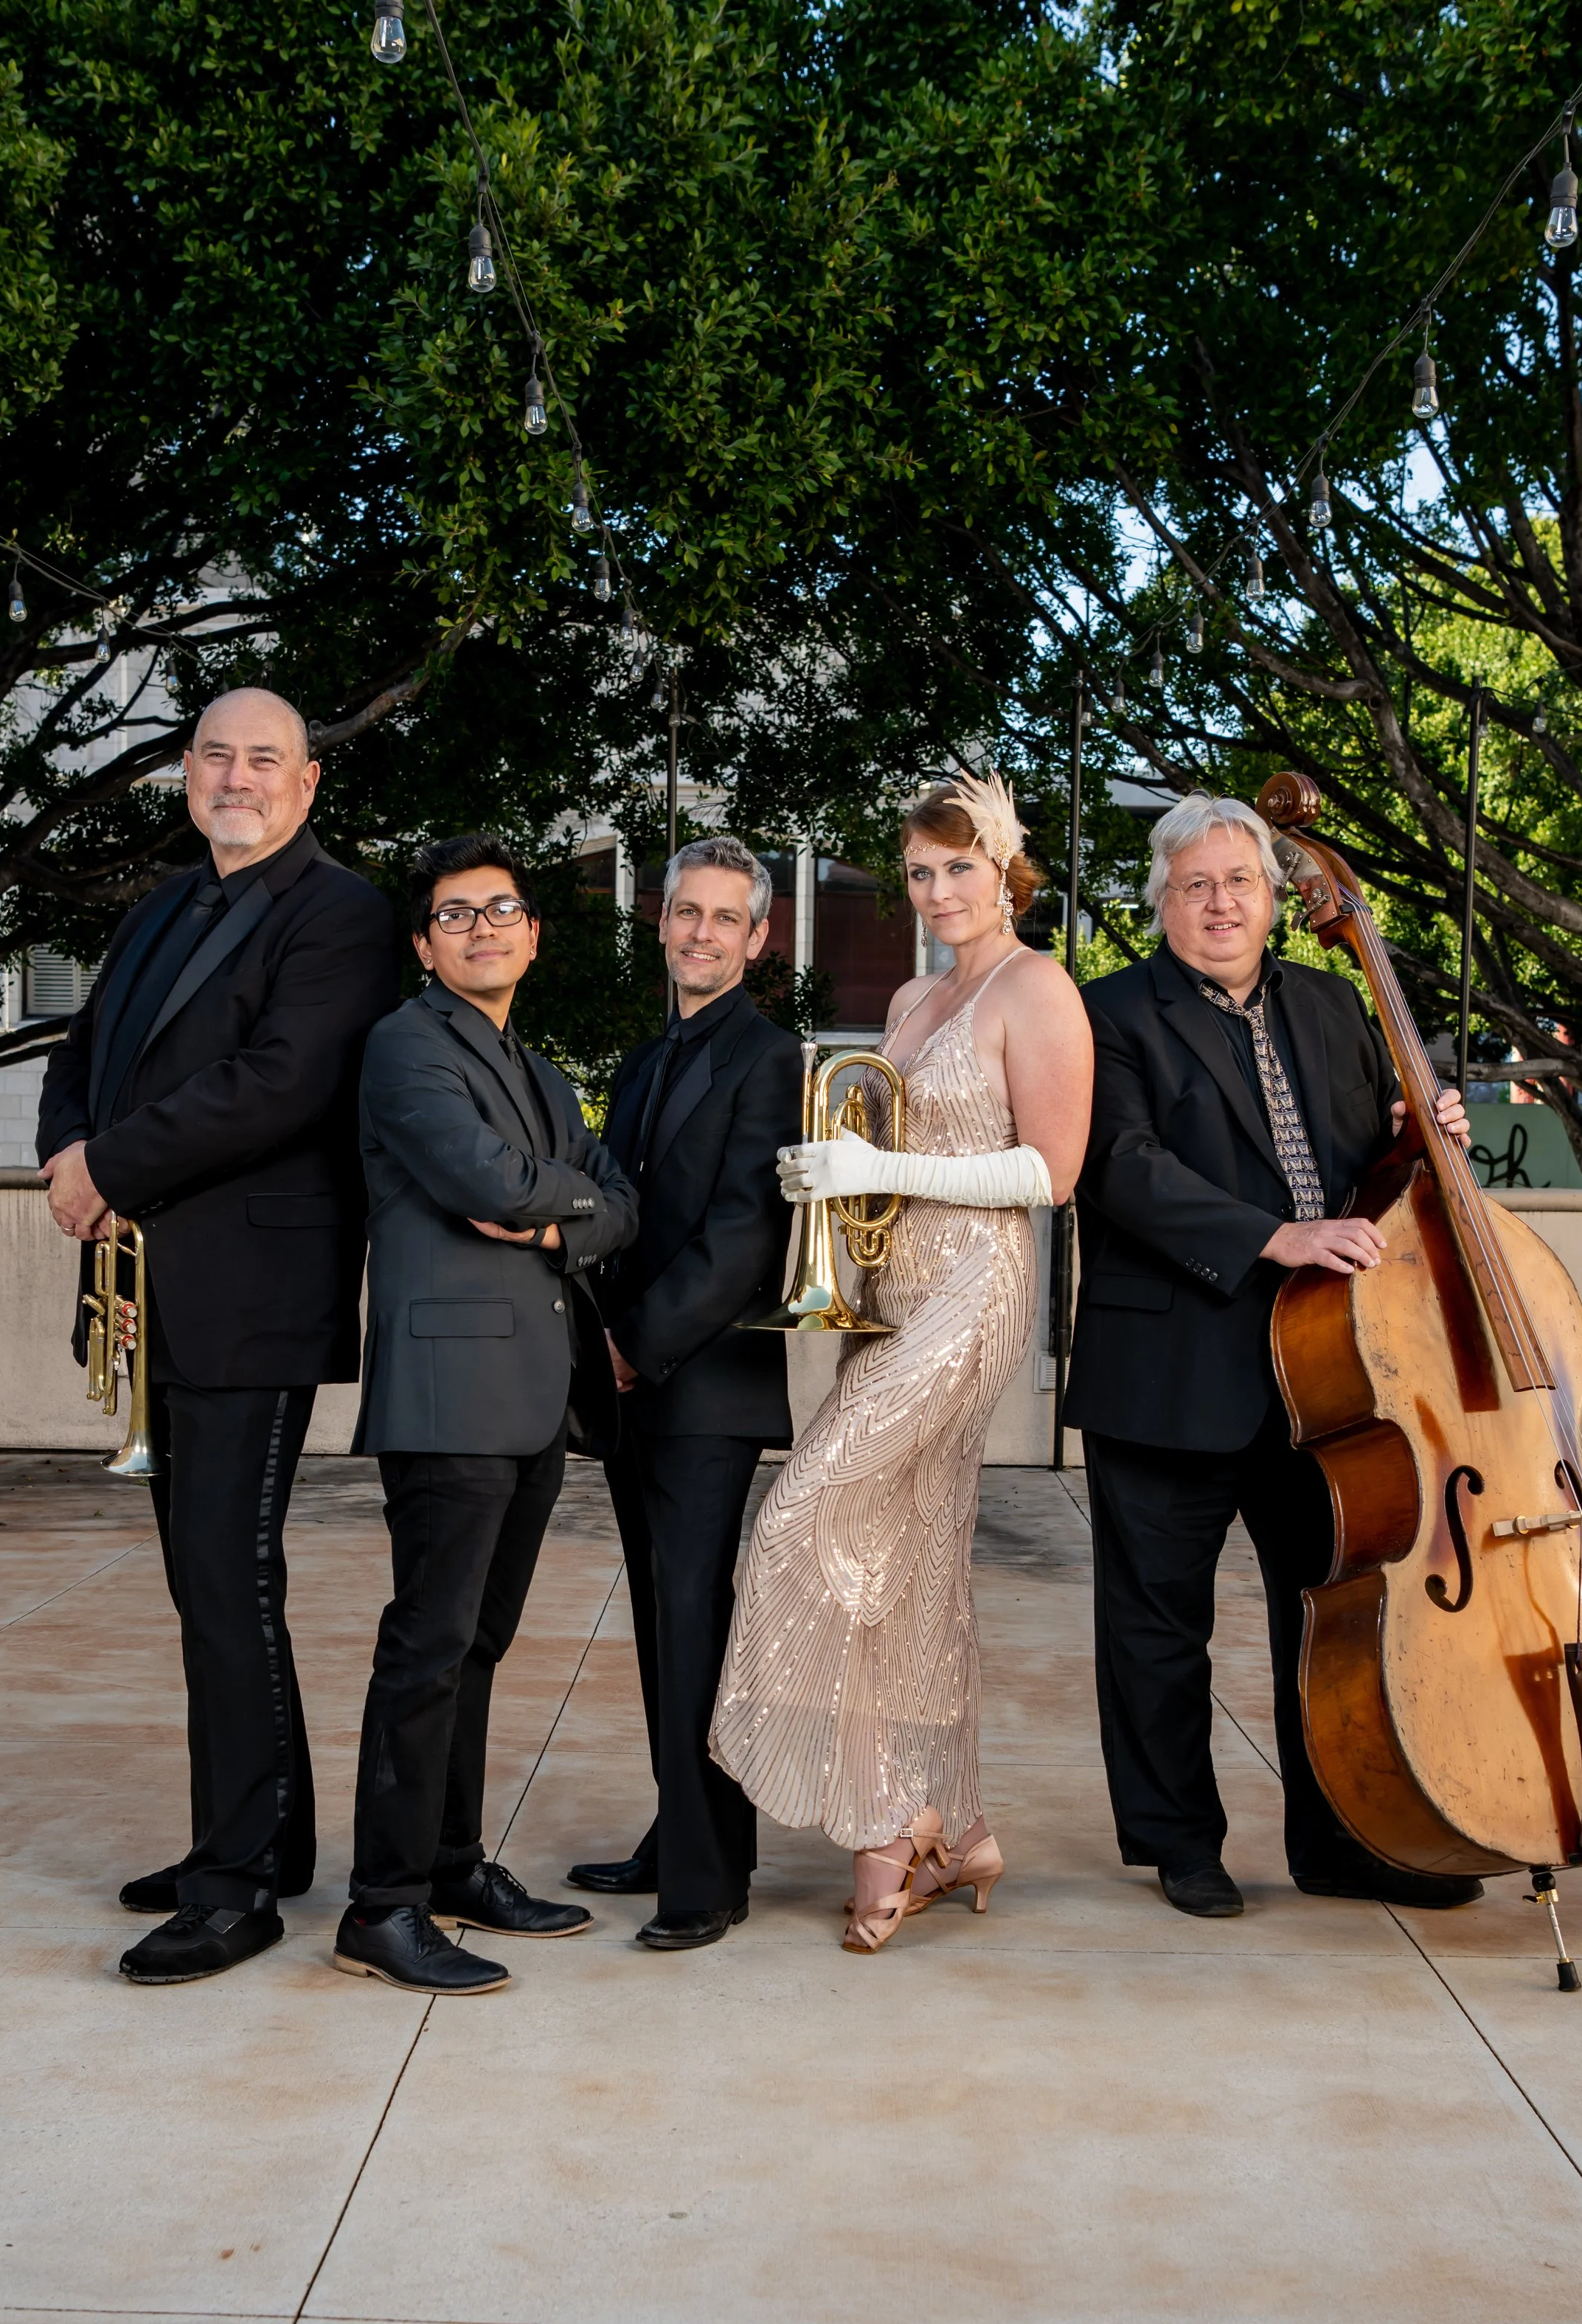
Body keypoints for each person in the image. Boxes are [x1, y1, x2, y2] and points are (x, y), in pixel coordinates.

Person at [1063, 790, 1480, 1918]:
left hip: (1334, 1376)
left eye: (1238, 881)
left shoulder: (1340, 1006)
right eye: (1194, 885)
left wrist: (1419, 1134)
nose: (1219, 902)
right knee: (1159, 1627)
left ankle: (1341, 1840)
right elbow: (1123, 1167)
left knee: (1331, 1619)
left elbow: (1363, 1160)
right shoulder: (1105, 1013)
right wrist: (1272, 1235)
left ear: (1273, 900)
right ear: (1161, 903)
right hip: (1171, 1368)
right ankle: (1180, 1843)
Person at [36, 687, 398, 1985]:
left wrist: (111, 1168)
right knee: (210, 1582)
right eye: (214, 755)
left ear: (307, 787)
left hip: (254, 1297)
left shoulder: (343, 913)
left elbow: (280, 1082)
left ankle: (235, 1879)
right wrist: (63, 1153)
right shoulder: (158, 905)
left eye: (264, 760)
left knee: (227, 1579)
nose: (235, 777)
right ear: (185, 773)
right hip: (153, 1293)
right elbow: (82, 1051)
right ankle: (263, 1833)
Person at [710, 771, 1093, 1952]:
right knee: (910, 1554)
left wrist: (886, 1176)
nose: (936, 891)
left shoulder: (1039, 988)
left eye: (958, 868)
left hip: (975, 1293)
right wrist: (829, 1173)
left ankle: (888, 1813)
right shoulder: (923, 991)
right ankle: (959, 1824)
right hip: (891, 1294)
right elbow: (882, 1132)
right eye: (920, 872)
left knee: (803, 1519)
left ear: (1005, 869)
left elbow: (1051, 1174)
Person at [333, 835, 637, 1994]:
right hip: (448, 1397)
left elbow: (619, 1195)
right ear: (423, 943)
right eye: (455, 915)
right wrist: (567, 1200)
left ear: (533, 931)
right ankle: (383, 1904)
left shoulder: (537, 1068)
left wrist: (563, 1214)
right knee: (426, 1649)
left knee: (478, 1644)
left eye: (500, 909)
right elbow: (490, 1185)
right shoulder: (406, 1046)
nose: (482, 928)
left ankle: (453, 1863)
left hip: (530, 1397)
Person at [566, 836, 802, 1952]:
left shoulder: (771, 1056)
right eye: (685, 912)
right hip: (636, 1385)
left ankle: (708, 1881)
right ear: (661, 924)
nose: (700, 931)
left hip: (701, 1385)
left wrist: (634, 1345)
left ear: (759, 939)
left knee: (698, 1624)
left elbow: (744, 1239)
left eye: (725, 917)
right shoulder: (649, 1056)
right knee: (667, 1625)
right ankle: (687, 1831)